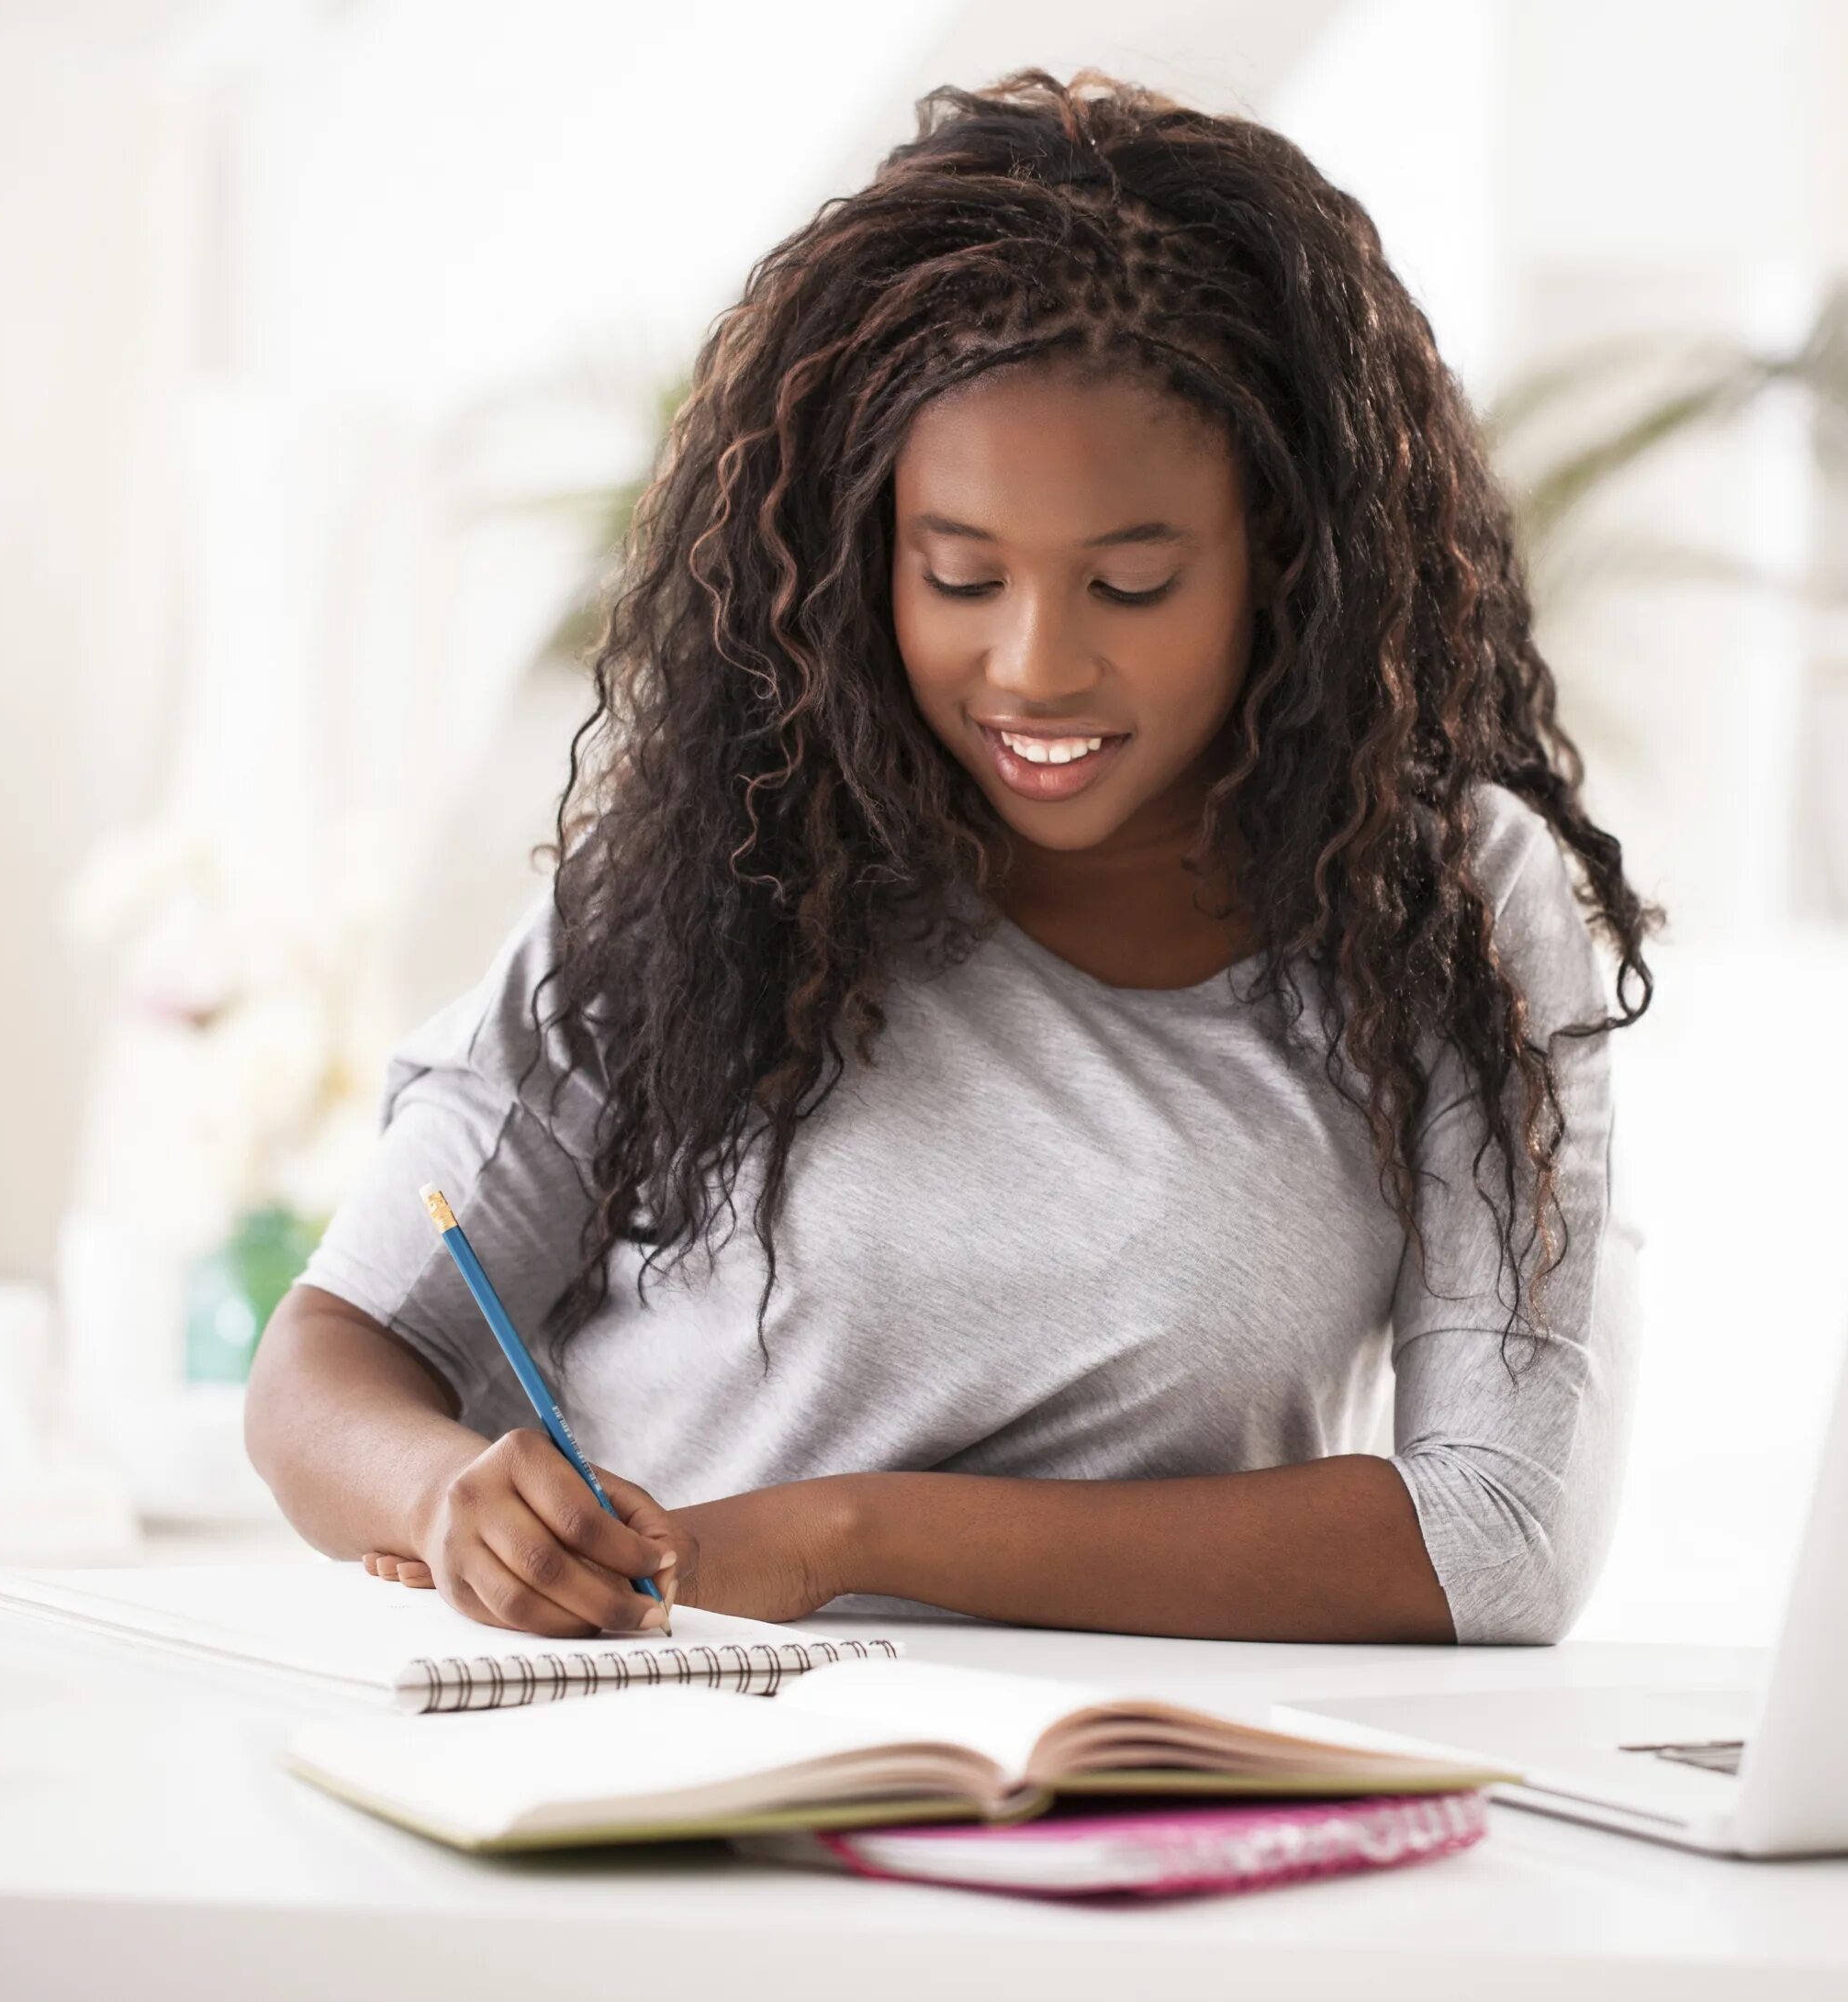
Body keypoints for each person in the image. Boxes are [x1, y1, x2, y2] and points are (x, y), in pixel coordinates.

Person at [243, 68, 1657, 1649]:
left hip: (1131, 1811)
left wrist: (848, 1531)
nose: (1035, 665)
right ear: (870, 556)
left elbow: (1501, 1534)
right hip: (667, 1745)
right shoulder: (724, 846)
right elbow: (327, 1365)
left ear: (1288, 569)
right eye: (961, 574)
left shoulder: (1446, 898)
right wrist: (446, 1498)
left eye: (1130, 584)